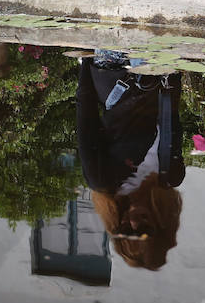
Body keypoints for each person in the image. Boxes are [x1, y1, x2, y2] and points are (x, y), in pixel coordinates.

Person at [76, 57, 184, 270]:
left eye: (125, 230)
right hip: (159, 70)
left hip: (115, 69)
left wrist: (87, 60)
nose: (133, 223)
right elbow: (171, 113)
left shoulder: (102, 179)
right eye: (143, 230)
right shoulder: (171, 176)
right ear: (162, 225)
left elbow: (86, 113)